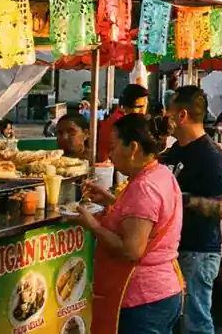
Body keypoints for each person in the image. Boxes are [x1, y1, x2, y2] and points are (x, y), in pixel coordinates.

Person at [78, 114, 185, 334]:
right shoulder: (161, 173)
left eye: (114, 147)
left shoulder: (143, 187)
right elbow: (147, 217)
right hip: (165, 292)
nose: (110, 155)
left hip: (144, 299)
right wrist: (109, 198)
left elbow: (132, 250)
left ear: (133, 147)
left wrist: (91, 224)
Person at [159, 87, 222, 334]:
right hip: (174, 247)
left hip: (198, 250)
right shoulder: (174, 149)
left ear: (182, 116)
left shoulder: (209, 154)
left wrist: (181, 199)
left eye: (168, 113)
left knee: (195, 321)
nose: (164, 118)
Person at [98, 84, 150, 164]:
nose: (143, 111)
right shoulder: (118, 124)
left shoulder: (131, 121)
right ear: (125, 107)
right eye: (139, 107)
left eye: (145, 105)